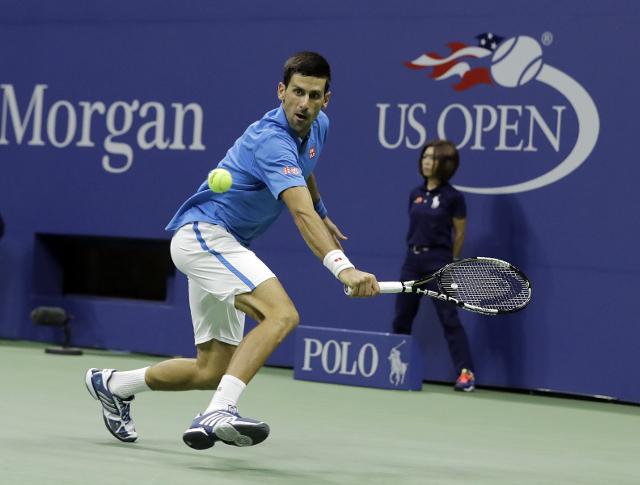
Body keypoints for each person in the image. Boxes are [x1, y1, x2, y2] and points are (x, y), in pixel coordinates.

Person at [85, 51, 379, 449]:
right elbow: (299, 214)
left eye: (314, 95)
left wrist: (322, 210)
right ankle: (218, 410)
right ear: (281, 91)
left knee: (212, 368)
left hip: (222, 244)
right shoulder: (271, 139)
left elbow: (304, 173)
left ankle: (114, 385)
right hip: (205, 236)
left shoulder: (318, 126)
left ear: (327, 99)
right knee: (281, 314)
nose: (304, 104)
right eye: (296, 93)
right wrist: (344, 268)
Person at [391, 140, 476, 391]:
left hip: (439, 262)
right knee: (401, 318)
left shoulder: (454, 198)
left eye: (433, 158)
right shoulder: (414, 194)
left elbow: (459, 234)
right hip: (412, 262)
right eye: (425, 156)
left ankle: (466, 374)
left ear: (445, 164)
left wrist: (453, 263)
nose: (427, 161)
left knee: (449, 319)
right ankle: (394, 371)